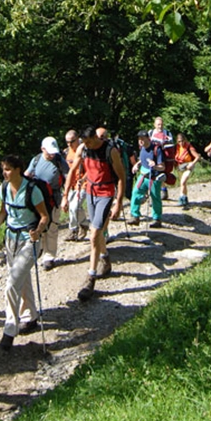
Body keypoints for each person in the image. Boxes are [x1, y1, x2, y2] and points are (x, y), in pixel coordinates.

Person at [0, 155, 49, 350]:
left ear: (19, 169)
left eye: (8, 169)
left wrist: (38, 231)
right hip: (11, 240)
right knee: (21, 279)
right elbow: (4, 213)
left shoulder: (32, 190)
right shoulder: (4, 188)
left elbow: (44, 216)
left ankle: (10, 328)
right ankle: (31, 316)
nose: (5, 173)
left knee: (12, 282)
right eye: (3, 169)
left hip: (29, 241)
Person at [62, 124, 125, 302]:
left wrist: (118, 203)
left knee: (94, 233)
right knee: (97, 234)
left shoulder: (110, 151)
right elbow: (73, 171)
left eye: (89, 142)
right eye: (85, 142)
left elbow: (121, 177)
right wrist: (65, 196)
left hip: (106, 194)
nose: (87, 145)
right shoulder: (83, 149)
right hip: (90, 192)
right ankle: (105, 258)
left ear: (96, 138)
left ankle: (91, 279)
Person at [25, 137, 69, 270]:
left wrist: (66, 197)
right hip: (38, 198)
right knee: (42, 226)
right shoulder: (36, 160)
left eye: (53, 152)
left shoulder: (60, 161)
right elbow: (27, 175)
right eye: (49, 152)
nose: (52, 154)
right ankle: (42, 248)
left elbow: (68, 177)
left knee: (52, 227)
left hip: (54, 197)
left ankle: (49, 256)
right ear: (42, 149)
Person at [130, 130, 166, 227]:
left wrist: (154, 166)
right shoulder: (141, 148)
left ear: (148, 138)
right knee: (135, 193)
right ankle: (135, 216)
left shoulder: (156, 149)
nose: (140, 141)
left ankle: (157, 219)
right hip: (143, 176)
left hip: (154, 177)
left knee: (155, 198)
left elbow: (162, 167)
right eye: (139, 139)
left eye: (142, 139)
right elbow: (142, 160)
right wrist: (136, 165)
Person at [63, 130, 88, 242]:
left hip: (84, 183)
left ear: (78, 138)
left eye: (71, 141)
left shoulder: (85, 150)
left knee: (74, 206)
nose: (69, 144)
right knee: (72, 208)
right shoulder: (66, 152)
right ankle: (84, 223)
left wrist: (83, 179)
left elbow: (91, 168)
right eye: (67, 142)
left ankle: (74, 229)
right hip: (72, 184)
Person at [149, 116, 173, 200]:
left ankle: (163, 190)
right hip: (153, 156)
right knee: (153, 175)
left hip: (163, 157)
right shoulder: (151, 133)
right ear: (154, 125)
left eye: (161, 124)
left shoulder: (167, 133)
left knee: (161, 174)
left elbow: (171, 145)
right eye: (158, 124)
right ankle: (157, 193)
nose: (160, 126)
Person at [174, 133, 201, 208]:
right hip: (180, 167)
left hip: (188, 166)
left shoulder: (189, 147)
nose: (181, 143)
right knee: (183, 183)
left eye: (182, 141)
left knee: (183, 181)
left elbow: (197, 157)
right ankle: (185, 198)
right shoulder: (176, 147)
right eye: (179, 141)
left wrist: (192, 164)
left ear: (185, 140)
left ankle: (181, 198)